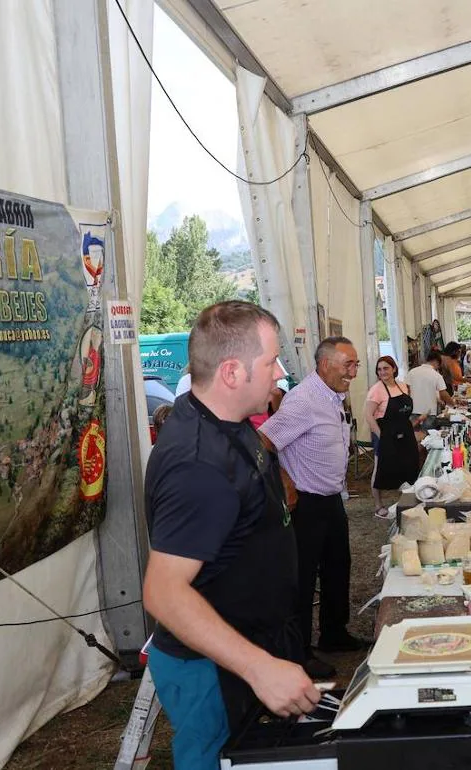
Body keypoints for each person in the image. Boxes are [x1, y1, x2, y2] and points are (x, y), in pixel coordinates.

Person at [143, 301, 319, 769]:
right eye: (271, 362)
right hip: (214, 668)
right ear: (231, 372)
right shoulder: (197, 467)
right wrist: (259, 668)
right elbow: (163, 593)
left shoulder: (226, 419)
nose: (280, 374)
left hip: (251, 645)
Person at [259, 337, 369, 667]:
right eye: (347, 365)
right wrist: (285, 481)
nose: (353, 372)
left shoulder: (332, 396)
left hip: (331, 497)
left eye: (355, 364)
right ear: (324, 365)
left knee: (338, 567)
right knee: (303, 578)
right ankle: (299, 651)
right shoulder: (304, 399)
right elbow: (263, 439)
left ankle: (334, 633)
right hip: (306, 503)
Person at [365, 355, 420, 519]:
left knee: (408, 465)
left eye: (386, 368)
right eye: (379, 369)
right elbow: (368, 415)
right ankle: (378, 505)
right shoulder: (376, 389)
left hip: (405, 431)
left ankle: (407, 501)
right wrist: (382, 436)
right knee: (380, 468)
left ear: (394, 369)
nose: (383, 372)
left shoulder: (403, 386)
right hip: (385, 433)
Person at [404, 350, 454, 429]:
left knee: (414, 438)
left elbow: (407, 390)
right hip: (429, 413)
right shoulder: (436, 375)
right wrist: (453, 404)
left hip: (413, 411)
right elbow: (443, 394)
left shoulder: (412, 372)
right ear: (436, 361)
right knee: (428, 438)